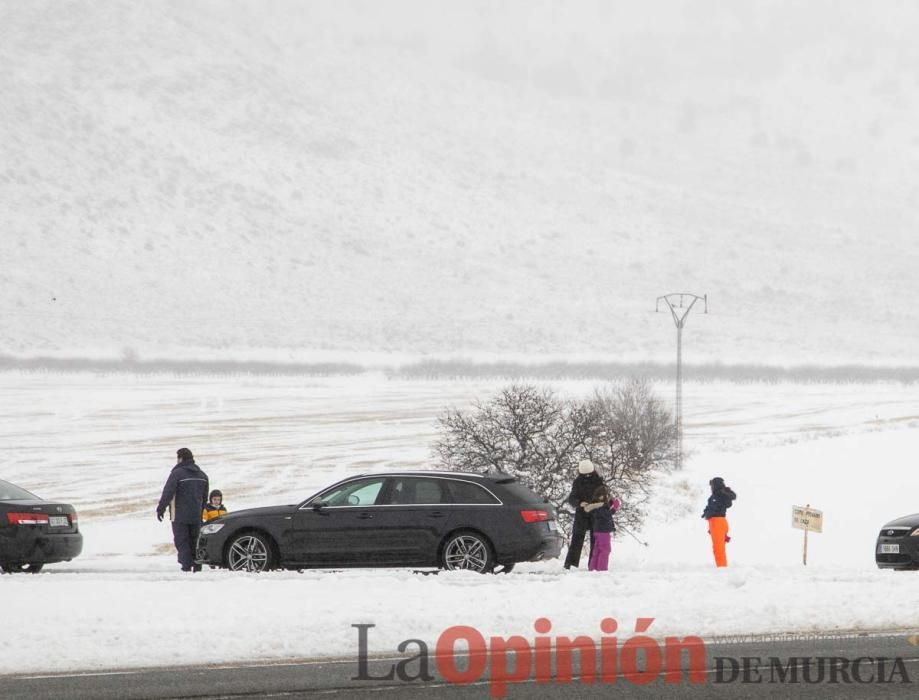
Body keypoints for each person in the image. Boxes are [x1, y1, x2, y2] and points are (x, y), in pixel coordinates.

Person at [156, 447, 209, 572]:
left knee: (182, 540)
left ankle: (186, 566)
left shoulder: (177, 474)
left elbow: (168, 492)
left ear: (180, 459)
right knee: (195, 541)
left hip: (179, 515)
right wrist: (200, 512)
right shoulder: (202, 475)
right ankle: (197, 565)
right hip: (196, 515)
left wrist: (161, 508)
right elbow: (205, 497)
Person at [563, 459, 604, 569]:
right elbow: (571, 499)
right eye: (584, 475)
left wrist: (595, 503)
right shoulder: (578, 482)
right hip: (582, 514)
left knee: (594, 541)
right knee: (577, 539)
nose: (587, 477)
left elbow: (603, 498)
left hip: (595, 513)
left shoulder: (598, 482)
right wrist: (580, 503)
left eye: (589, 475)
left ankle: (593, 565)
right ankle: (570, 564)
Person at [583, 485, 620, 571]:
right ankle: (601, 569)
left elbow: (605, 508)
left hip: (598, 530)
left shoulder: (597, 506)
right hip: (603, 531)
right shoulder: (601, 507)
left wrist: (612, 501)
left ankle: (593, 567)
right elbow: (607, 514)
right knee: (605, 549)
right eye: (607, 495)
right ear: (602, 496)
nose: (608, 497)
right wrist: (614, 508)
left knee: (597, 550)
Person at [702, 476, 736, 568]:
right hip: (722, 522)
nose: (711, 487)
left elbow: (713, 507)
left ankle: (721, 568)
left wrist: (707, 513)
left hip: (716, 522)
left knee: (718, 548)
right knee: (720, 547)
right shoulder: (722, 495)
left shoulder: (716, 496)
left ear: (715, 485)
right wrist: (706, 512)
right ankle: (722, 566)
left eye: (712, 485)